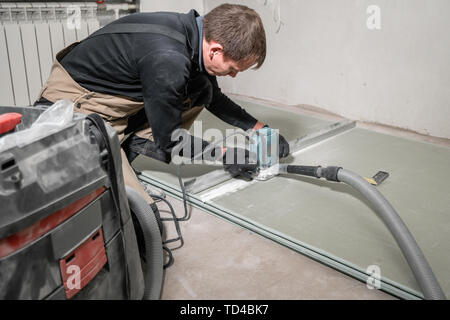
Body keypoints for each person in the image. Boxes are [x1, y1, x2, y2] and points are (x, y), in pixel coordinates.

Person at [35, 3, 290, 205]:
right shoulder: (169, 59)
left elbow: (213, 97)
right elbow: (171, 139)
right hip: (76, 102)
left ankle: (130, 146)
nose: (233, 75)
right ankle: (111, 155)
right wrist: (226, 155)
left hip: (114, 92)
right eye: (233, 69)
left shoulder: (194, 34)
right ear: (215, 50)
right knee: (140, 219)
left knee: (200, 88)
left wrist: (259, 129)